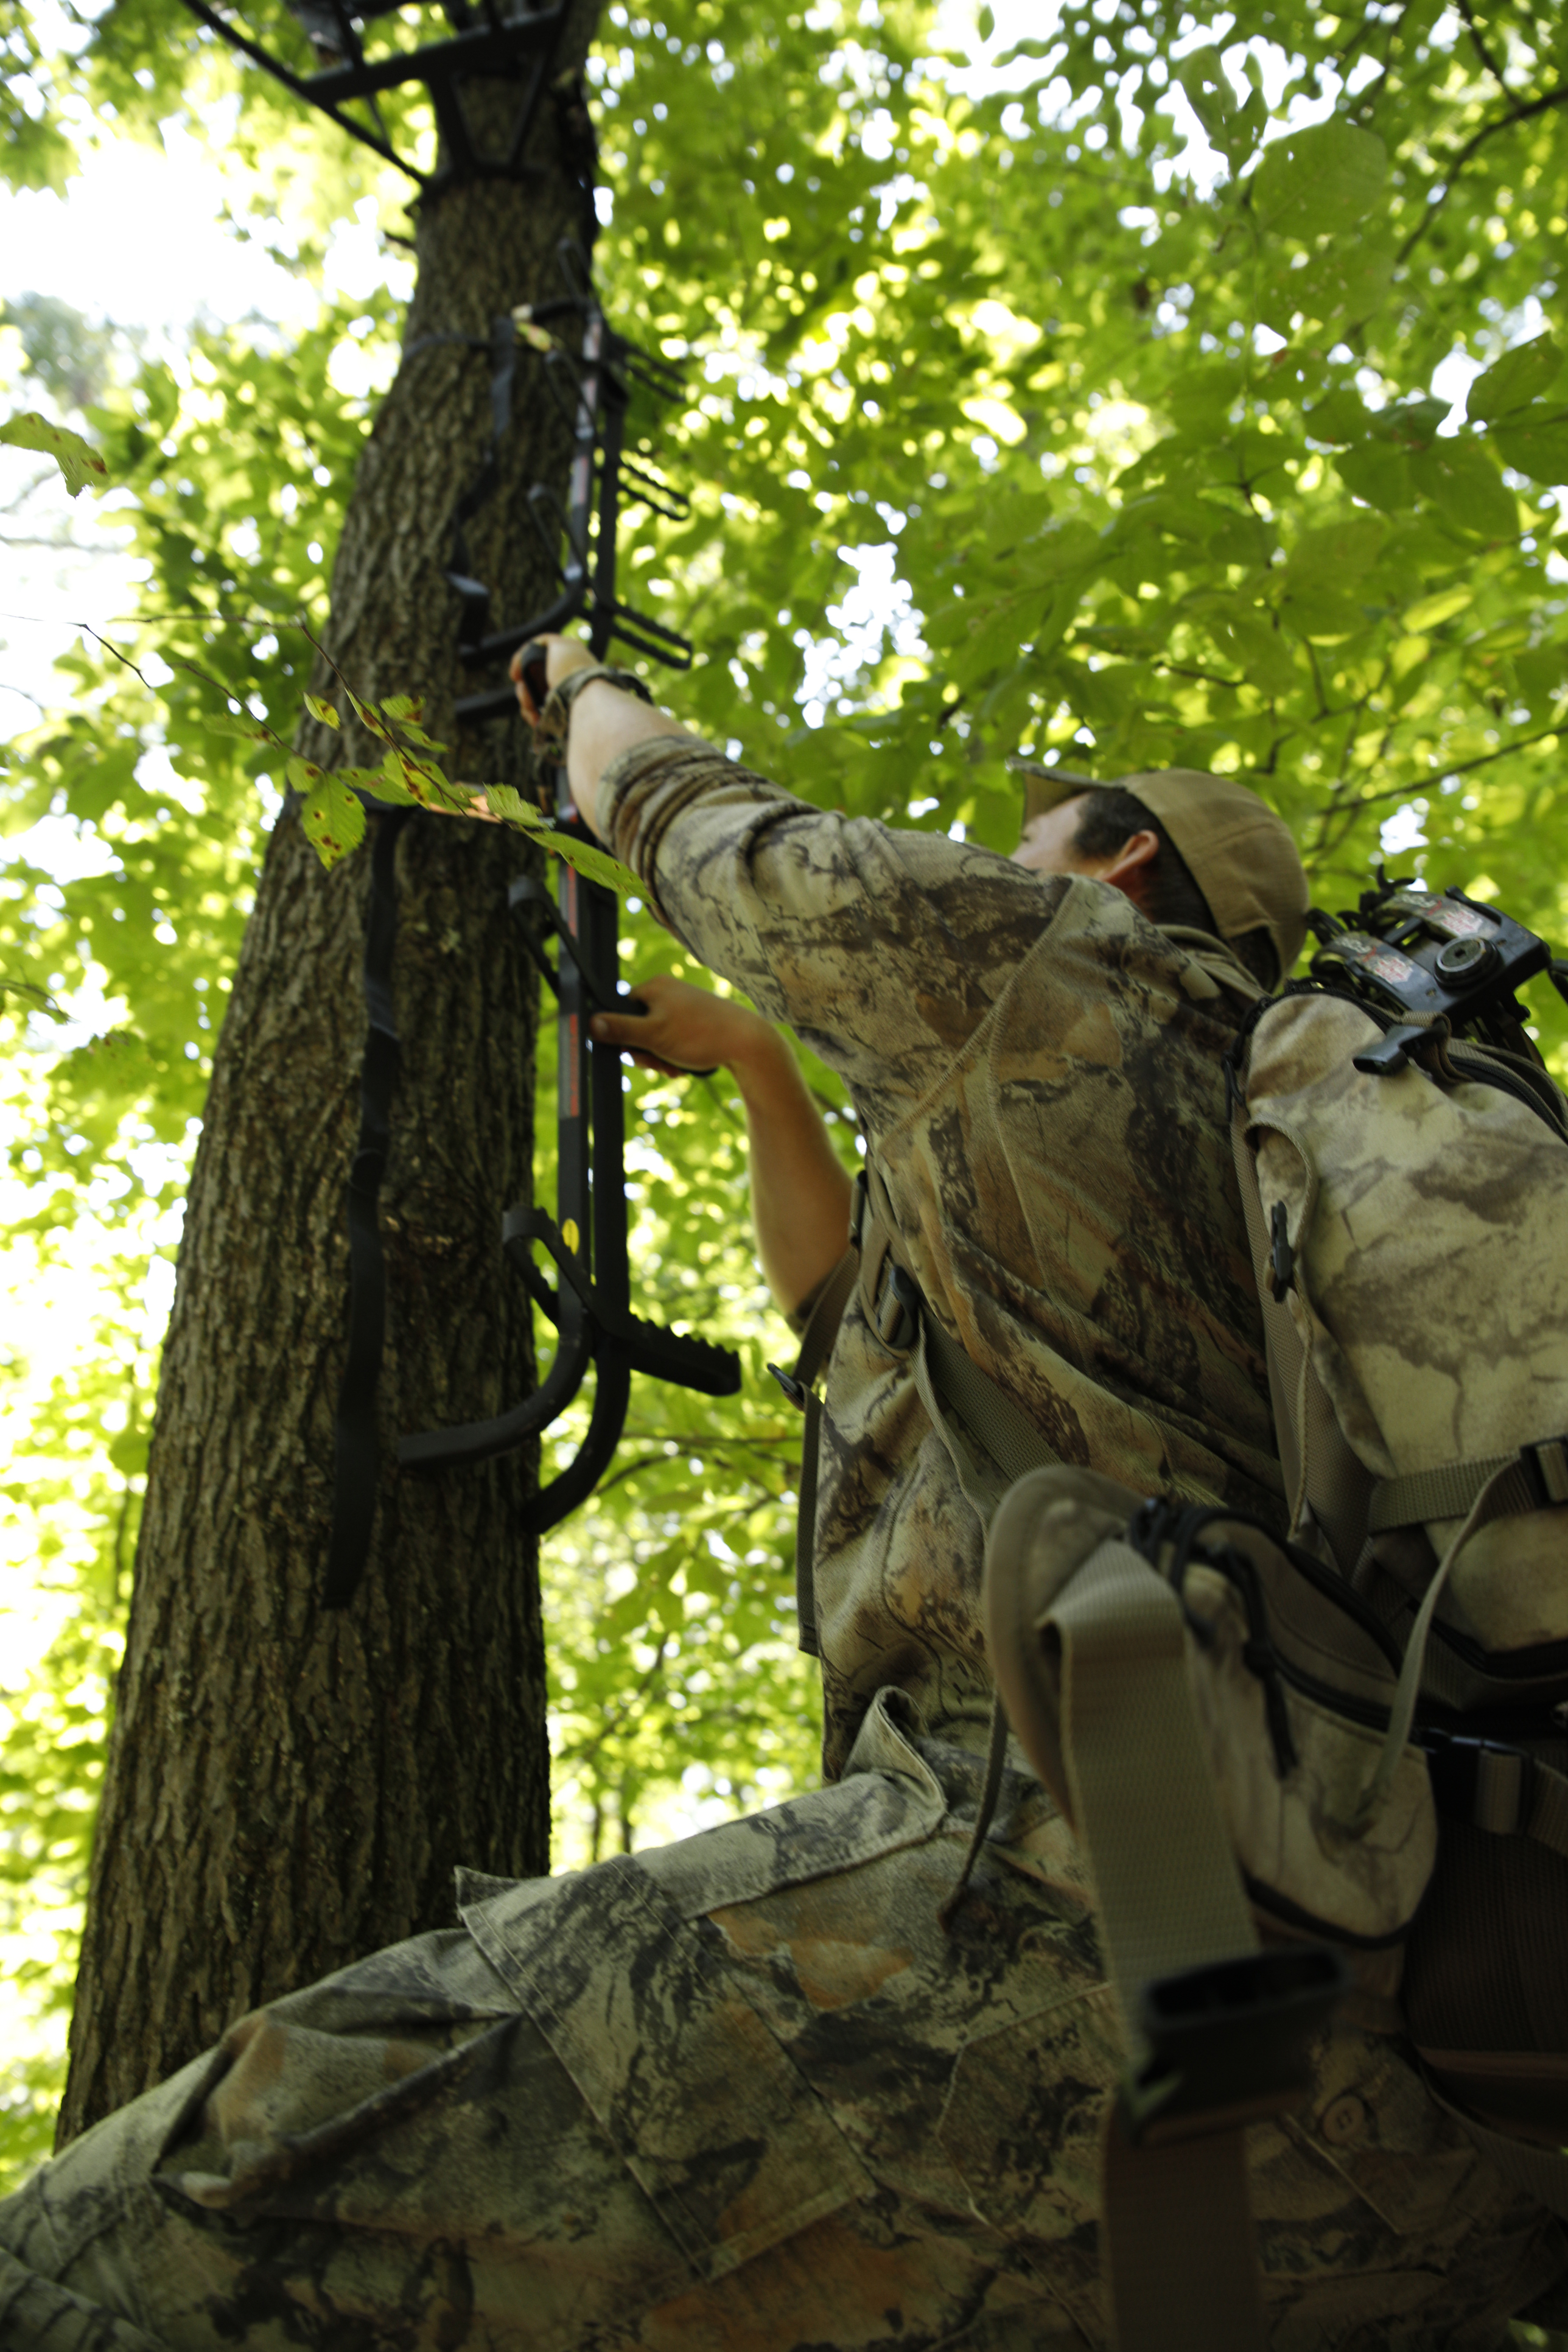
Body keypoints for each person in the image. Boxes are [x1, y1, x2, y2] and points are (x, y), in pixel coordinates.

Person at [2, 639, 1564, 2351]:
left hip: (1084, 1949)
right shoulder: (1250, 1184)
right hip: (1440, 2109)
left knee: (141, 2246)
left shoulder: (1058, 972)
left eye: (1044, 838)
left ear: (1124, 864)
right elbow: (850, 1326)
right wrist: (760, 1065)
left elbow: (693, 821)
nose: (1009, 858)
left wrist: (582, 686)